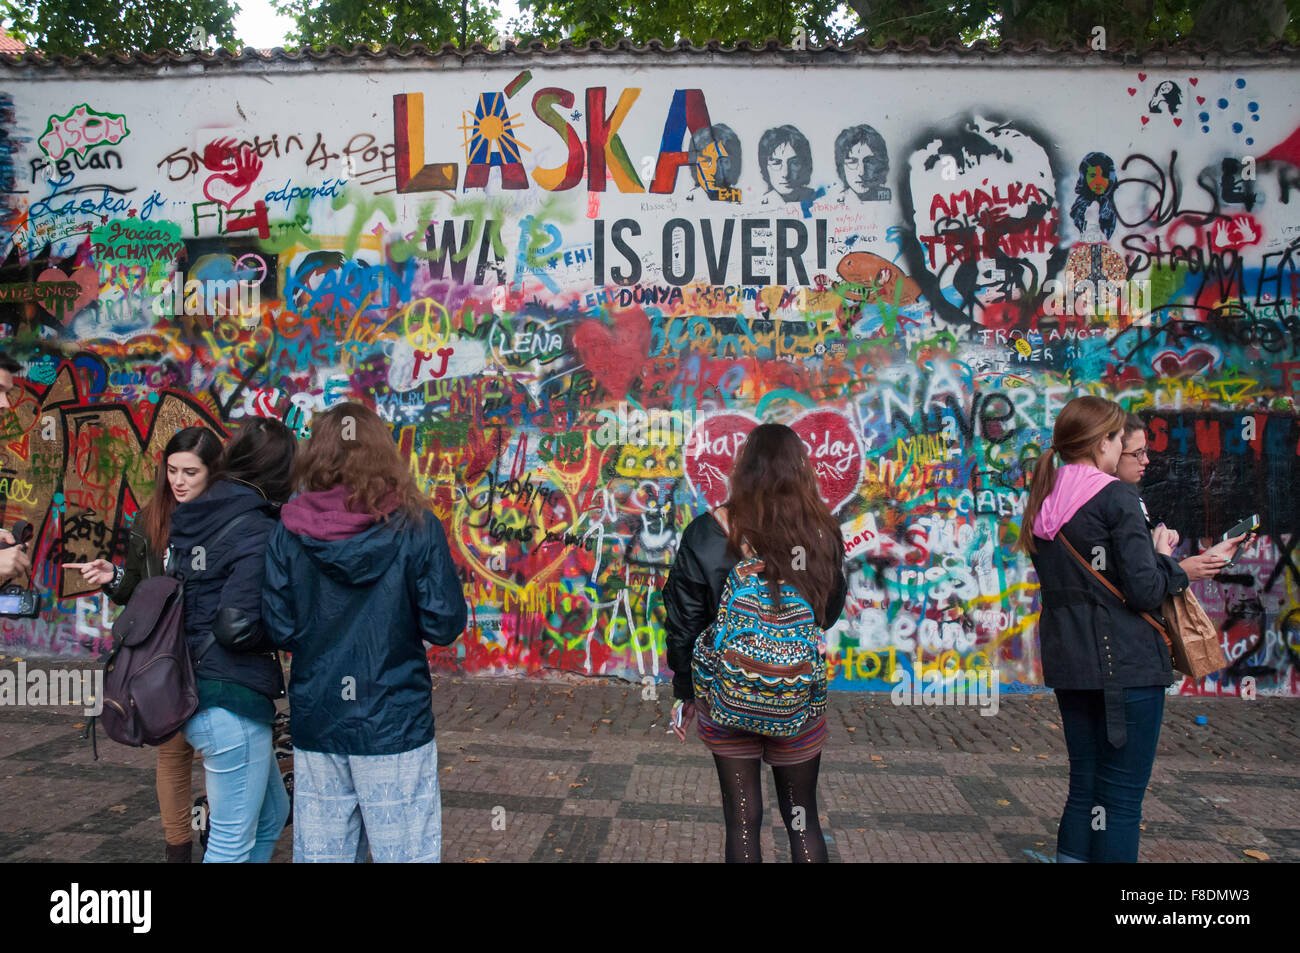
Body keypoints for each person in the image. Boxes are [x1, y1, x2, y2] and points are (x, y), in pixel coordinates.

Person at [262, 402, 467, 863]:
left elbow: (279, 626)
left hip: (319, 716)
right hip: (394, 720)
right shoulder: (417, 526)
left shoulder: (288, 530)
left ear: (315, 455)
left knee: (324, 854)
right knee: (406, 853)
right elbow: (444, 623)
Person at [664, 423, 846, 863]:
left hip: (727, 694)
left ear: (741, 470)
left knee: (742, 821)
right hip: (797, 693)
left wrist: (686, 690)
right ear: (801, 470)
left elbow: (684, 621)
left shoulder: (707, 532)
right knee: (803, 818)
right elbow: (831, 608)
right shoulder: (821, 531)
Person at [1020, 396, 1188, 863]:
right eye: (1118, 439)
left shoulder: (1046, 498)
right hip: (1126, 667)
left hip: (1070, 663)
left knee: (1085, 788)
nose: (1123, 449)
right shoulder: (1117, 497)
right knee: (1120, 800)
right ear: (1101, 444)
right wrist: (1166, 560)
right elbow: (1144, 590)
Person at [68, 426, 223, 863]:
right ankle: (177, 851)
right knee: (173, 758)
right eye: (172, 470)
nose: (179, 480)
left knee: (218, 758)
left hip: (214, 656)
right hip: (165, 659)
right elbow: (137, 588)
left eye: (191, 472)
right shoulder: (152, 516)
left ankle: (219, 842)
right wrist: (111, 577)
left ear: (213, 472)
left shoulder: (230, 520)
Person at [172, 418, 297, 862]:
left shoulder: (197, 511)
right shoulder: (256, 527)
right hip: (229, 701)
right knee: (229, 840)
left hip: (194, 687)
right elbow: (236, 625)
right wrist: (287, 631)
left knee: (269, 814)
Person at [1116, 413, 1249, 580]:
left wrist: (1209, 558)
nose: (1146, 460)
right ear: (1112, 450)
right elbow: (1142, 589)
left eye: (1146, 451)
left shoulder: (1124, 498)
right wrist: (1178, 569)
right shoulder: (1117, 504)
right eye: (1137, 453)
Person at [758, 125, 816, 205]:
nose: (785, 174)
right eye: (776, 163)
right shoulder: (758, 205)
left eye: (794, 163)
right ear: (765, 167)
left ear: (804, 165)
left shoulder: (819, 200)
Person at [834, 124, 891, 203]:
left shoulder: (886, 197)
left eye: (869, 161)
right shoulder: (840, 199)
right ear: (841, 167)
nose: (862, 172)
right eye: (852, 162)